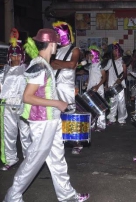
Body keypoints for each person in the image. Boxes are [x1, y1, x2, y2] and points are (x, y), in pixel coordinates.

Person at [3, 28, 89, 202]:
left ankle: (67, 196)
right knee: (34, 160)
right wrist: (57, 103)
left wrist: (61, 98)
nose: (57, 45)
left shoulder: (44, 63)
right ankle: (12, 196)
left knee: (57, 159)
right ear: (51, 44)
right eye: (56, 42)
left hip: (51, 119)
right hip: (42, 122)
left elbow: (44, 92)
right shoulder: (39, 65)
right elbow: (27, 97)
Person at [0, 37, 31, 171]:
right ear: (9, 56)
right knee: (8, 134)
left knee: (25, 134)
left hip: (23, 104)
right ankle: (10, 159)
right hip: (7, 105)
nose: (15, 57)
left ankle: (29, 160)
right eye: (13, 55)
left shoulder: (27, 69)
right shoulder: (4, 70)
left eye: (18, 54)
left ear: (22, 56)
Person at [51, 21, 82, 155]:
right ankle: (59, 140)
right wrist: (57, 64)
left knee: (70, 113)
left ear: (64, 34)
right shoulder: (55, 50)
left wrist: (55, 63)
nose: (56, 37)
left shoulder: (74, 49)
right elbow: (50, 65)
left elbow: (72, 64)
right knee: (55, 114)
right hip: (54, 85)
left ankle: (76, 142)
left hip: (67, 86)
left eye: (58, 34)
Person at [104, 42, 128, 126]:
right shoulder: (110, 61)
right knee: (112, 102)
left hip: (120, 85)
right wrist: (106, 84)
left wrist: (120, 79)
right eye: (113, 50)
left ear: (118, 51)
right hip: (111, 83)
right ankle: (112, 118)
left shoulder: (122, 60)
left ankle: (122, 119)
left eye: (115, 50)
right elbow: (107, 72)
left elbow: (125, 74)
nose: (114, 52)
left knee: (121, 102)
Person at [86, 45, 107, 131]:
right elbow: (91, 76)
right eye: (89, 55)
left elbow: (104, 77)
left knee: (100, 107)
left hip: (98, 88)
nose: (89, 56)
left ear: (95, 55)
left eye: (91, 55)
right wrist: (87, 82)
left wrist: (98, 86)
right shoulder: (90, 65)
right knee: (91, 106)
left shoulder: (100, 65)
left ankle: (101, 125)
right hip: (90, 87)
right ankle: (92, 124)